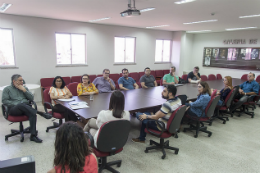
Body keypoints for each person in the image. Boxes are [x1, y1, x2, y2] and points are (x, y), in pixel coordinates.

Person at [2, 74, 52, 143]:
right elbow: (4, 101)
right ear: (14, 81)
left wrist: (24, 90)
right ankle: (40, 113)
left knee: (32, 113)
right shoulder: (7, 89)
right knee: (21, 105)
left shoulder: (24, 88)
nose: (22, 82)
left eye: (22, 80)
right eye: (20, 80)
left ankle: (33, 136)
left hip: (26, 108)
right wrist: (17, 104)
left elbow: (31, 98)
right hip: (14, 109)